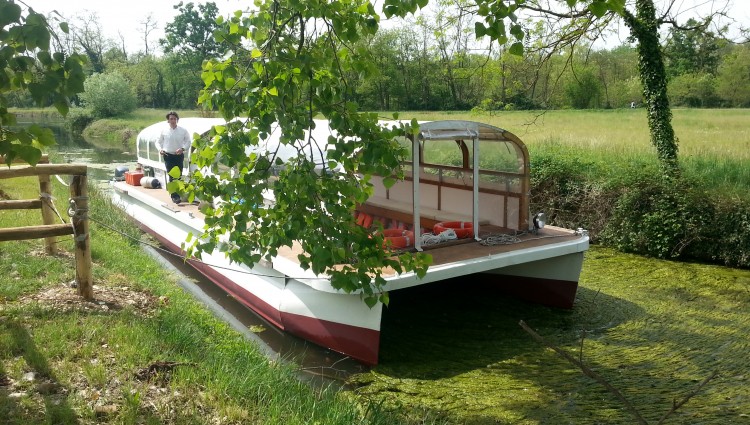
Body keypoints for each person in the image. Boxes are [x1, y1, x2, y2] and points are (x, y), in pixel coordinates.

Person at [156, 111, 192, 204]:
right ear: (168, 120)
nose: (172, 121)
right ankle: (174, 196)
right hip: (168, 155)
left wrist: (183, 148)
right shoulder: (164, 131)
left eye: (174, 119)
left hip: (178, 155)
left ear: (177, 120)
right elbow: (158, 142)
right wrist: (160, 149)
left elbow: (188, 141)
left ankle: (178, 193)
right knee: (172, 175)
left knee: (178, 175)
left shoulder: (183, 131)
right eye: (171, 119)